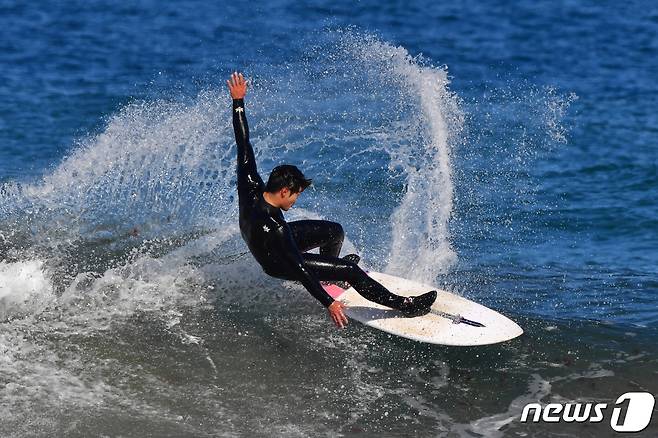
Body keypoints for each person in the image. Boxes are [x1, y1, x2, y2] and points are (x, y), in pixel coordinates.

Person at [227, 72, 436, 328]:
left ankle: (330, 274)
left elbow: (243, 142)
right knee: (350, 271)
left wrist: (238, 102)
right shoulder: (277, 228)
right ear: (284, 191)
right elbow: (300, 269)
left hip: (267, 242)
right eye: (296, 195)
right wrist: (329, 303)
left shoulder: (250, 184)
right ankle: (404, 305)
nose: (295, 200)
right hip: (276, 262)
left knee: (333, 231)